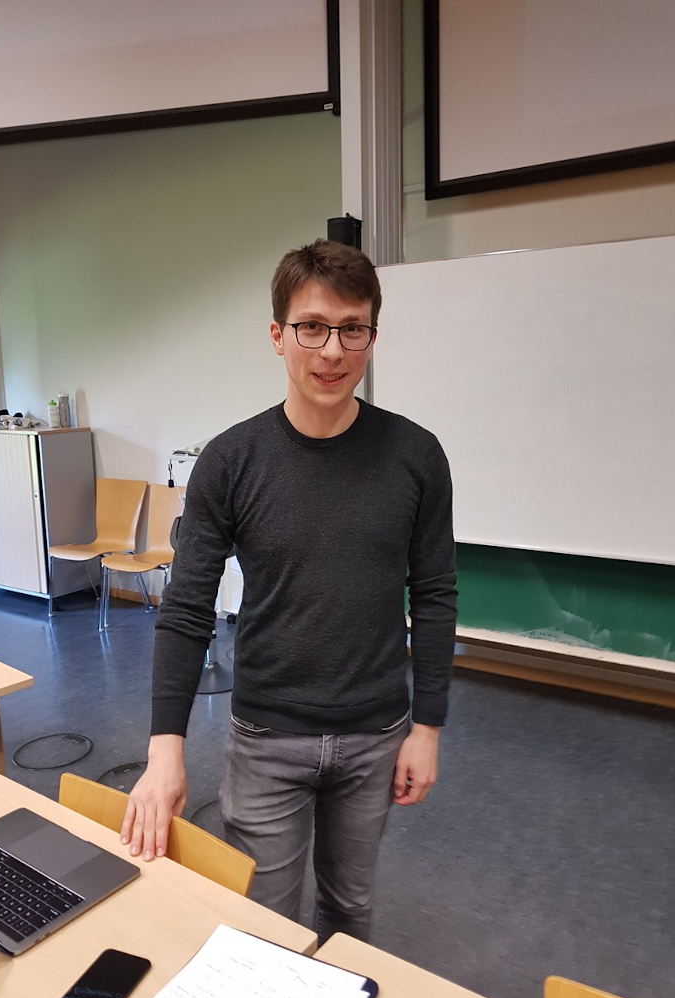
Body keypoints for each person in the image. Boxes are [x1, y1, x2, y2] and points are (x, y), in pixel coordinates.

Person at [121, 238, 457, 943]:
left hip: (375, 734)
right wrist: (165, 750)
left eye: (352, 329)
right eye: (312, 327)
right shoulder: (231, 462)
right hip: (267, 738)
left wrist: (427, 728)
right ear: (278, 335)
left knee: (348, 913)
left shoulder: (416, 456)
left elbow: (433, 594)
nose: (332, 350)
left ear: (371, 336)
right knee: (261, 925)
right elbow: (186, 610)